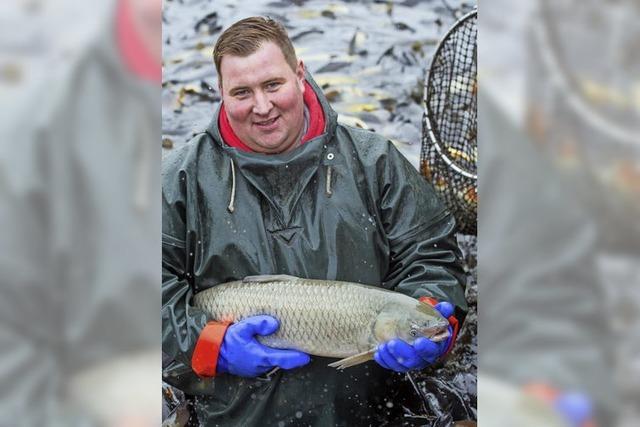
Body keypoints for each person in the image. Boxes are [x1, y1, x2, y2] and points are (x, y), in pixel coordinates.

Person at [162, 16, 467, 426]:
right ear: (220, 93)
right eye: (242, 92)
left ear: (300, 74)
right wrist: (208, 342)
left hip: (368, 412)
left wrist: (431, 314)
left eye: (273, 85)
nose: (262, 106)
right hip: (234, 415)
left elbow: (431, 257)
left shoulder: (374, 162)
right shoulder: (179, 180)